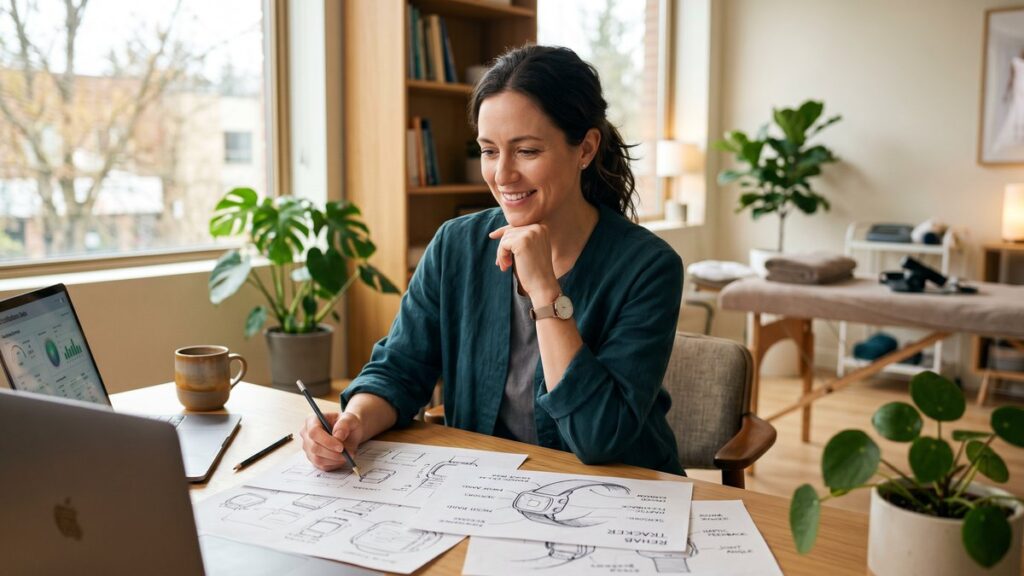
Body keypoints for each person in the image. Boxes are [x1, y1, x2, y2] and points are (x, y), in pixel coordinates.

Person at [300, 45, 684, 475]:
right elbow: (401, 369)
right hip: (485, 491)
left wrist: (544, 291)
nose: (502, 175)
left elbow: (598, 437)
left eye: (527, 151)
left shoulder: (649, 267)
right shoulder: (455, 244)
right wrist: (354, 421)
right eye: (488, 150)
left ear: (586, 149)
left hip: (620, 495)